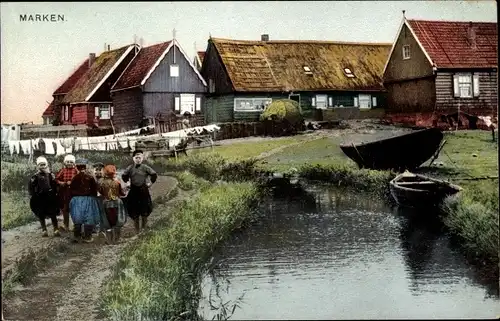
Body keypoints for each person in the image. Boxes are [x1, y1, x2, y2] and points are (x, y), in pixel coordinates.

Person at [122, 150, 157, 233]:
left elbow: (154, 175)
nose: (138, 159)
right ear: (133, 158)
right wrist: (127, 183)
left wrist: (150, 183)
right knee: (135, 212)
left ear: (142, 158)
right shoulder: (130, 168)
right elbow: (124, 176)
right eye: (136, 157)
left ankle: (144, 230)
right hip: (133, 191)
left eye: (140, 158)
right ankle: (137, 230)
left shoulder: (145, 167)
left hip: (143, 191)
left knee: (144, 211)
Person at [69, 158, 101, 243]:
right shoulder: (90, 177)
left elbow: (71, 189)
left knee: (78, 217)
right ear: (85, 167)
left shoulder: (75, 178)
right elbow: (94, 189)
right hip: (88, 199)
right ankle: (87, 237)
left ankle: (77, 236)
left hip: (76, 200)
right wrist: (93, 197)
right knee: (89, 217)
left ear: (77, 168)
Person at [28, 157, 60, 237]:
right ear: (38, 166)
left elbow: (55, 185)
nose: (42, 166)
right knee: (41, 213)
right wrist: (33, 195)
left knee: (53, 213)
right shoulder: (34, 176)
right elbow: (31, 187)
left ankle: (56, 229)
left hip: (50, 197)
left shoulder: (50, 175)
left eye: (44, 164)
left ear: (46, 165)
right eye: (40, 165)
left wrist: (55, 193)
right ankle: (44, 230)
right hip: (39, 198)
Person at [99, 165, 127, 244]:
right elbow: (122, 193)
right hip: (117, 203)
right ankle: (117, 239)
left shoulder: (102, 183)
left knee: (107, 221)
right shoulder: (117, 182)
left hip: (106, 204)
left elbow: (101, 192)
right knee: (117, 220)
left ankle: (109, 240)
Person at [56, 154, 79, 232]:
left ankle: (75, 225)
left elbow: (80, 179)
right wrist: (62, 183)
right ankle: (66, 225)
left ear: (74, 163)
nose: (69, 163)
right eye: (67, 162)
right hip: (64, 191)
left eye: (71, 162)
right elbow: (57, 179)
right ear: (65, 163)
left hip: (74, 191)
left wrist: (74, 183)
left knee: (74, 207)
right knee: (65, 208)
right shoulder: (63, 170)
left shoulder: (76, 170)